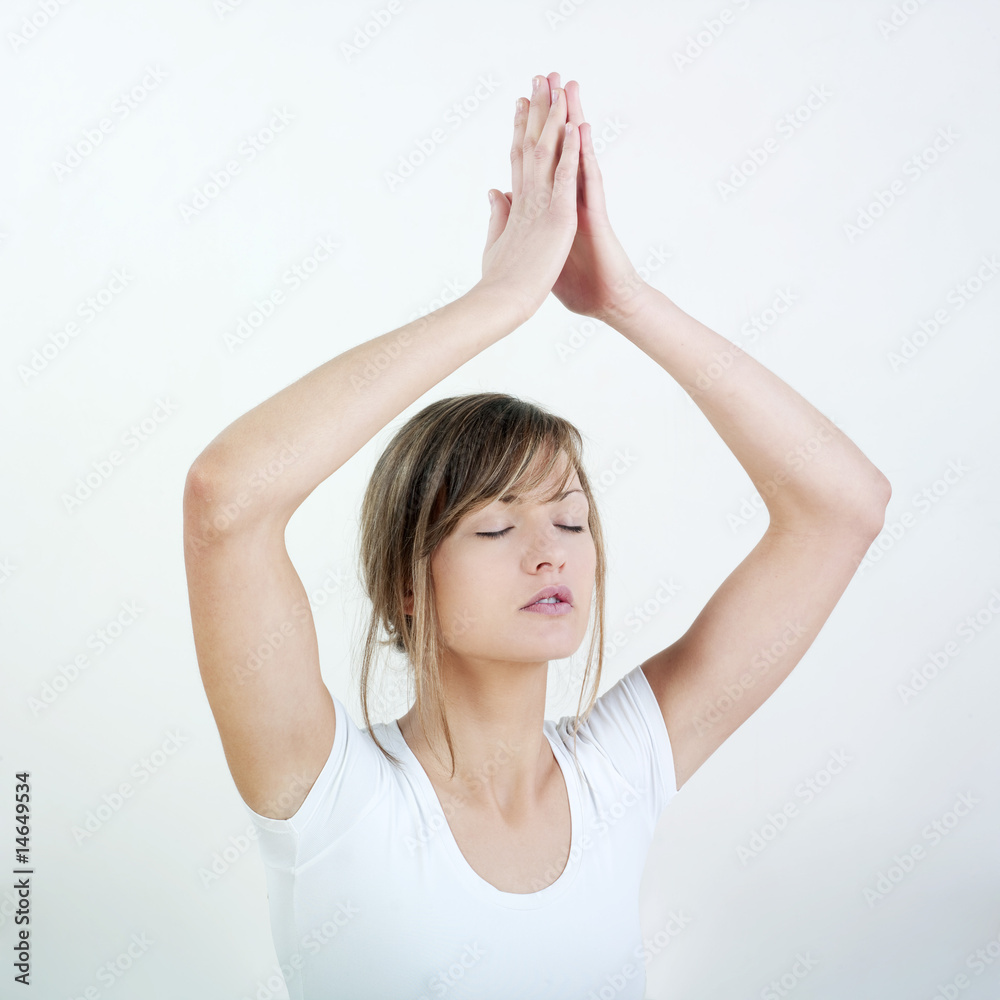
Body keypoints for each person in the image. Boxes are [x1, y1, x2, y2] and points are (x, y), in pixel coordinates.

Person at [182, 71, 890, 999]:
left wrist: (625, 300)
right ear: (407, 584)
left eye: (571, 519)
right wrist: (501, 301)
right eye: (493, 526)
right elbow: (227, 499)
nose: (551, 551)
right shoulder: (329, 798)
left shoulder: (618, 773)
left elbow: (845, 505)